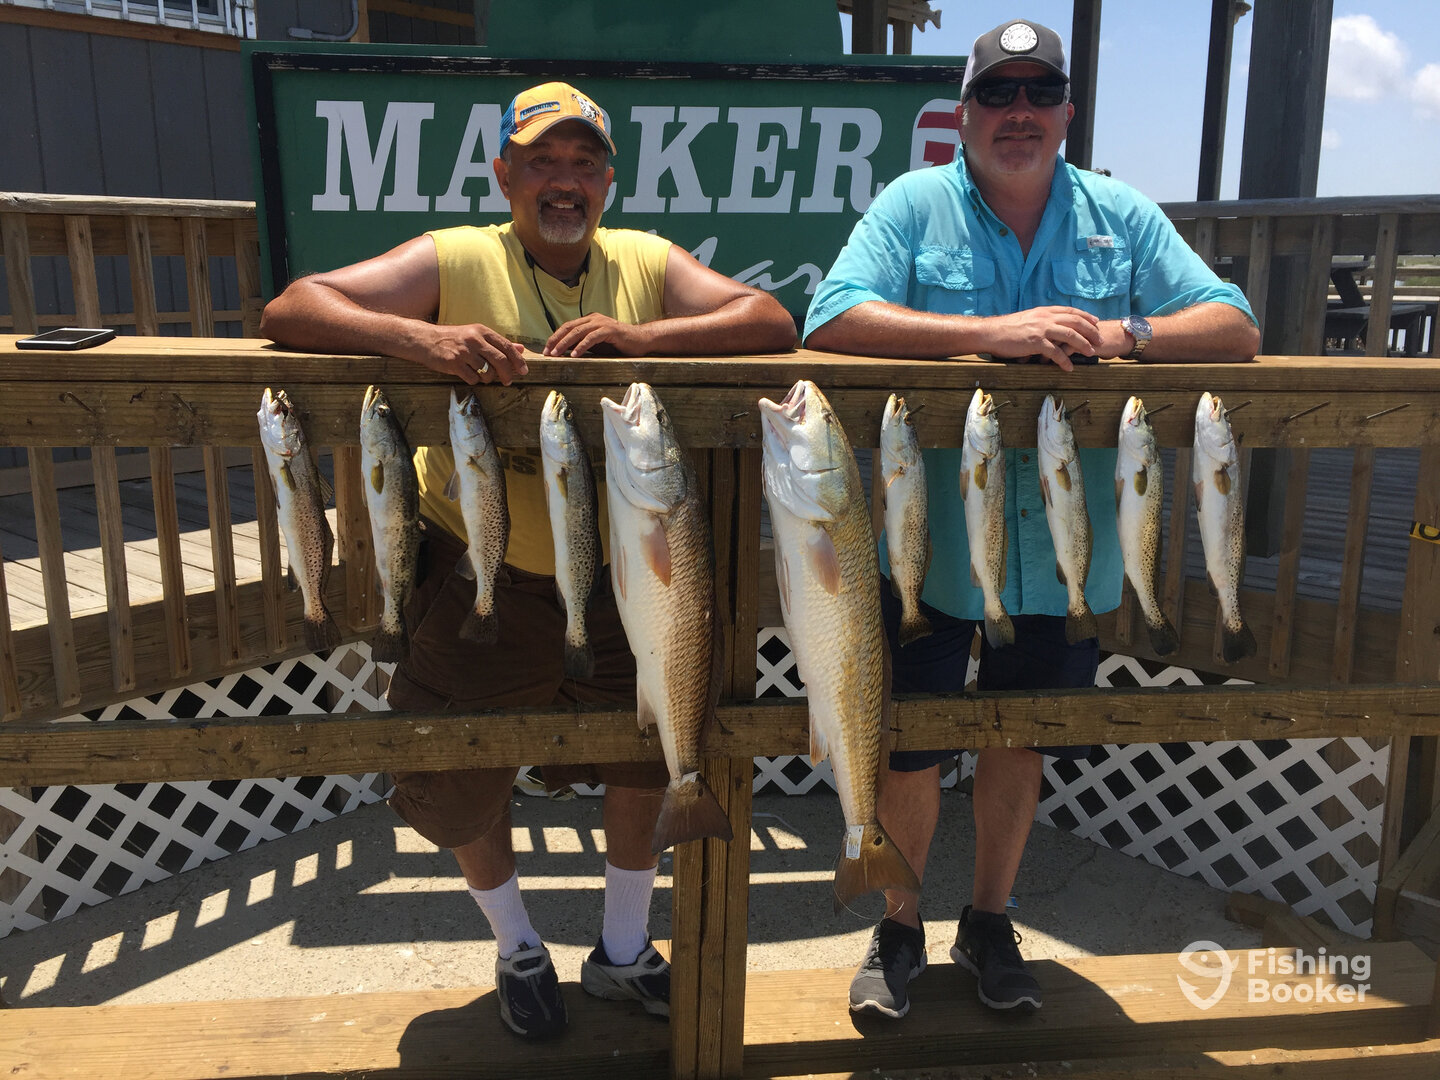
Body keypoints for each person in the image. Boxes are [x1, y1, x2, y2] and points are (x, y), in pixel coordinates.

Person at [261, 81, 796, 1039]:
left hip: (631, 579)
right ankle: (516, 945)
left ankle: (623, 950)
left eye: (584, 163)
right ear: (504, 174)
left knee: (644, 755)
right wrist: (418, 338)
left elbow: (768, 319)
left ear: (608, 182)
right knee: (461, 771)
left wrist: (643, 338)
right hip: (479, 576)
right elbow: (295, 307)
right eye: (542, 161)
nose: (564, 181)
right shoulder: (458, 256)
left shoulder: (642, 261)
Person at [804, 19, 1258, 1020]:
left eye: (1039, 93)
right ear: (965, 112)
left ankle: (988, 921)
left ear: (1066, 112)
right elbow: (831, 316)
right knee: (908, 746)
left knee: (1021, 741)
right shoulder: (913, 203)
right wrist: (988, 333)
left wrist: (1128, 333)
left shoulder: (1121, 213)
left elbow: (1234, 322)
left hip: (1066, 559)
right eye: (998, 93)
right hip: (927, 556)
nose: (1019, 112)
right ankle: (899, 928)